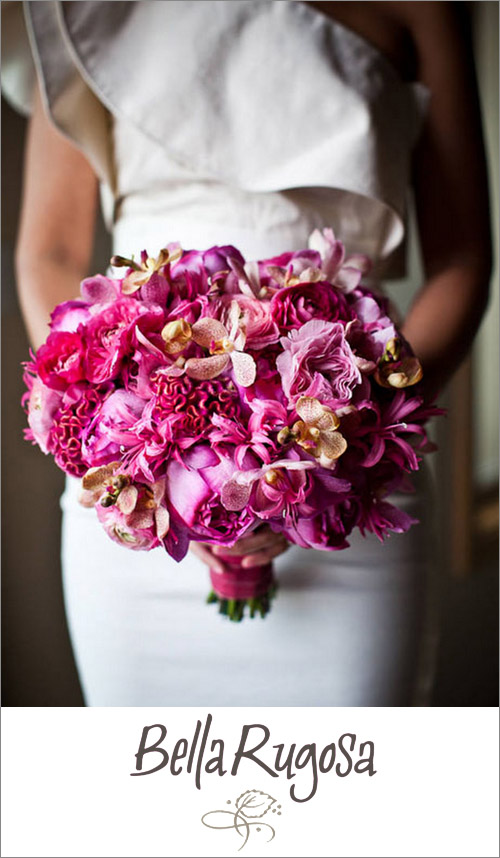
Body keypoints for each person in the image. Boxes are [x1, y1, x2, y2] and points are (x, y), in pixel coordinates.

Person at [3, 1, 491, 705]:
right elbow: (46, 251)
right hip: (136, 491)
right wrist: (136, 447)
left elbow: (464, 259)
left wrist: (351, 451)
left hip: (348, 490)